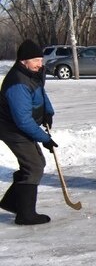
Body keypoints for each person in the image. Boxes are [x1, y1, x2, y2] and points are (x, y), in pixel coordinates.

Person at [0, 40, 58, 225]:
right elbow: (23, 121)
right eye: (35, 60)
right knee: (33, 166)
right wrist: (45, 139)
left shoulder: (33, 73)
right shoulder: (17, 82)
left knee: (37, 162)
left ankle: (12, 202)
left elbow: (41, 93)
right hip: (11, 128)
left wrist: (47, 112)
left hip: (20, 126)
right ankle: (25, 214)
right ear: (23, 61)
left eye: (40, 59)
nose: (40, 64)